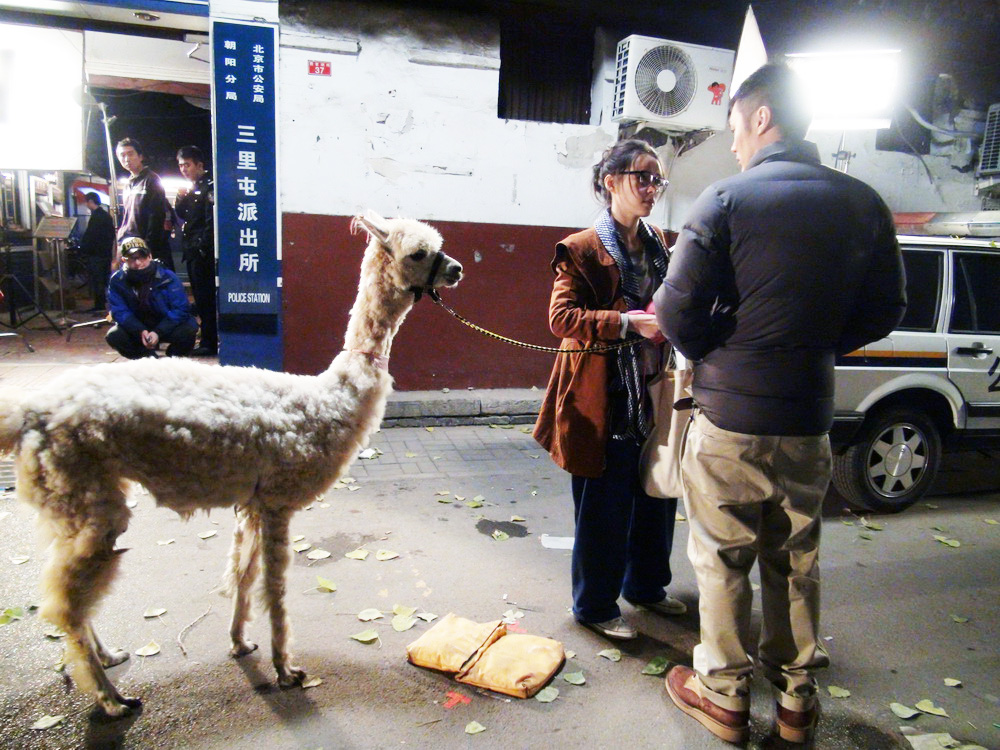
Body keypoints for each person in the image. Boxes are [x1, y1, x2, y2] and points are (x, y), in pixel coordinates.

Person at [654, 63, 906, 745]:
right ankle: (796, 705)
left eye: (735, 125)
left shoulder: (726, 200)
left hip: (728, 421)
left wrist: (720, 351)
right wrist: (814, 344)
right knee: (795, 557)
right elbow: (886, 309)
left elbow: (673, 311)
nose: (734, 142)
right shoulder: (864, 203)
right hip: (807, 419)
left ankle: (724, 697)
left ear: (761, 118)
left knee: (722, 558)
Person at [533, 139, 686, 642]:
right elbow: (562, 319)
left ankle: (645, 587)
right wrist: (625, 323)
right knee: (604, 507)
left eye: (657, 180)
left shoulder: (661, 243)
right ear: (610, 181)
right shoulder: (580, 248)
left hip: (655, 390)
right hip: (602, 396)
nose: (651, 188)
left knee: (657, 495)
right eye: (642, 177)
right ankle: (595, 606)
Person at [106, 237, 198, 359]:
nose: (138, 263)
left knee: (189, 330)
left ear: (150, 256)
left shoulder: (168, 277)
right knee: (114, 336)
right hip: (138, 325)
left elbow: (181, 309)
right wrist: (140, 330)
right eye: (132, 258)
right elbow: (119, 311)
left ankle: (173, 360)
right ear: (123, 260)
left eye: (142, 257)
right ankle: (146, 358)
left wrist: (158, 332)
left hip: (165, 323)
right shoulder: (117, 281)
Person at [175, 145, 217, 356]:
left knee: (206, 298)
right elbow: (183, 215)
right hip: (191, 250)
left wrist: (202, 248)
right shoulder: (190, 188)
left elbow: (210, 222)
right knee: (199, 298)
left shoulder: (209, 186)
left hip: (202, 253)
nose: (184, 169)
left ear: (199, 165)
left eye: (187, 164)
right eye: (181, 165)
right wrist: (180, 198)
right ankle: (206, 337)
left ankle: (210, 341)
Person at [115, 137, 174, 270]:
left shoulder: (151, 180)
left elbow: (156, 218)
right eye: (122, 155)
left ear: (140, 156)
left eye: (130, 154)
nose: (126, 159)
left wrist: (147, 250)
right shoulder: (128, 184)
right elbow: (127, 218)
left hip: (145, 250)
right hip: (130, 246)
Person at [78, 192, 116, 312]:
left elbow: (91, 236)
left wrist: (84, 248)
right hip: (105, 253)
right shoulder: (105, 215)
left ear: (90, 201)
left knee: (97, 279)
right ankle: (104, 303)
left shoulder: (97, 216)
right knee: (104, 279)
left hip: (96, 254)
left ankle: (99, 305)